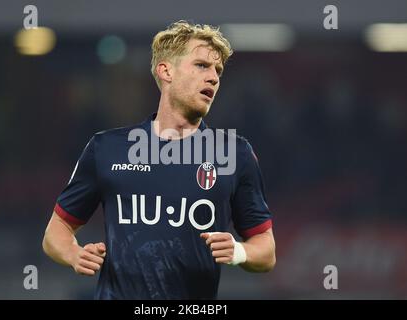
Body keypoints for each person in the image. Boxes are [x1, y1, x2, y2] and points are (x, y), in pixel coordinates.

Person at [42, 20, 276, 299]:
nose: (213, 77)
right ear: (166, 71)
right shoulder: (107, 148)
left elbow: (267, 250)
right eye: (202, 65)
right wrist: (74, 254)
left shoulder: (234, 154)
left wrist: (239, 251)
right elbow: (56, 231)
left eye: (218, 71)